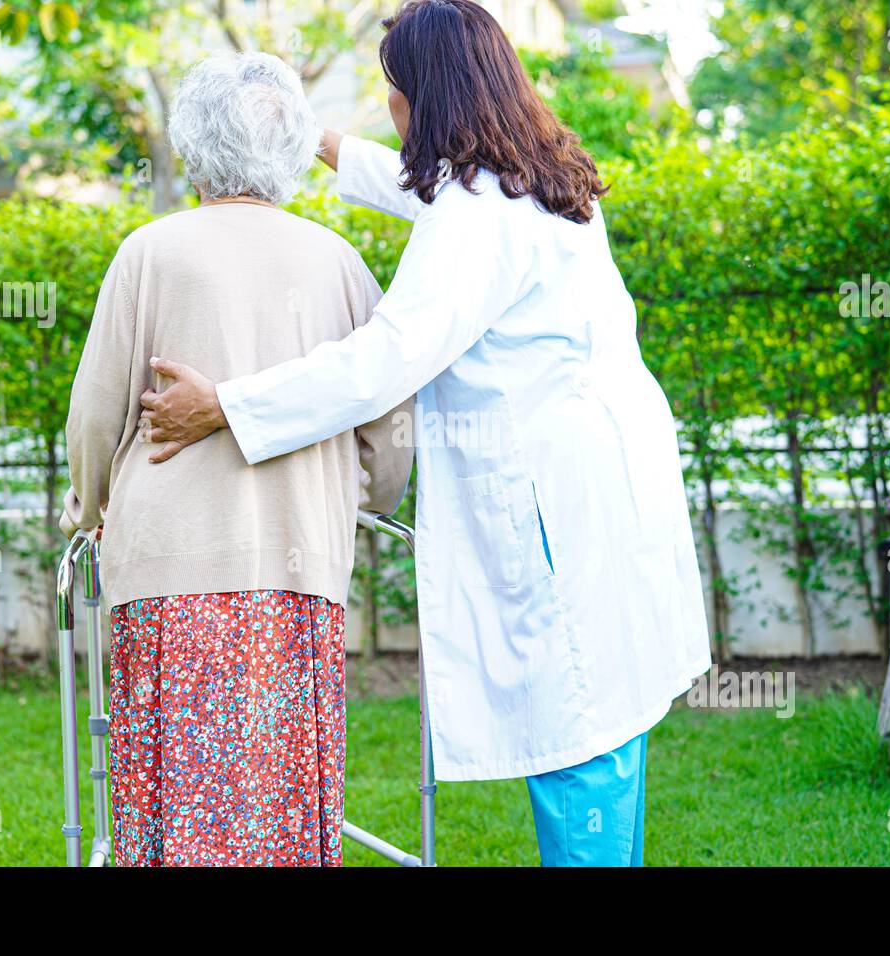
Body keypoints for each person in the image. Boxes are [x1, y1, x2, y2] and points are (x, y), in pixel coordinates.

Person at [139, 0, 710, 866]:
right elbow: (423, 191)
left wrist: (227, 405)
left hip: (555, 504)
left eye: (395, 94)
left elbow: (384, 360)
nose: (391, 112)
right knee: (608, 730)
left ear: (430, 98)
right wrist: (313, 137)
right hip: (607, 485)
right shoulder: (534, 177)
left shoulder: (475, 219)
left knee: (578, 739)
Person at [58, 51, 413, 867]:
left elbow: (94, 414)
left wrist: (90, 508)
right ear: (289, 148)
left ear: (191, 145)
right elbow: (393, 428)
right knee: (287, 802)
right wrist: (350, 493)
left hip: (164, 569)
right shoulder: (339, 263)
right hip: (298, 567)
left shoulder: (149, 253)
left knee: (169, 801)